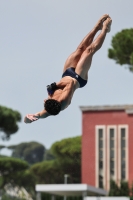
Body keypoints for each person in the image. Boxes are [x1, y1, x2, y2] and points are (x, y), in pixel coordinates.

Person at [24, 14, 112, 124]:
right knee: (89, 51)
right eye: (49, 99)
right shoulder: (64, 101)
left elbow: (34, 118)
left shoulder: (49, 110)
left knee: (80, 49)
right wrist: (53, 86)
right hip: (78, 78)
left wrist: (29, 118)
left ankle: (96, 27)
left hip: (66, 73)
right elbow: (69, 83)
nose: (47, 99)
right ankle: (105, 29)